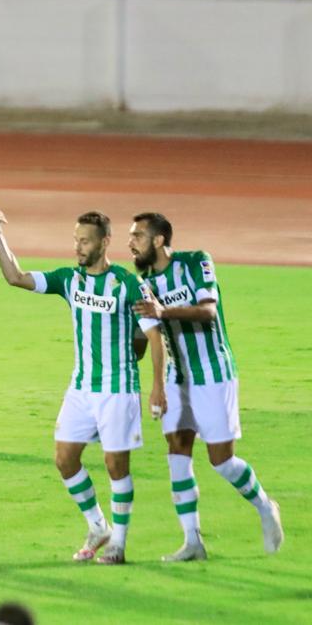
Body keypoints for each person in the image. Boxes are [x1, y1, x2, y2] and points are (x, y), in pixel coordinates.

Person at [0, 208, 165, 565]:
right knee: (65, 459)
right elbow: (16, 277)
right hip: (81, 388)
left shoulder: (128, 284)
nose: (78, 247)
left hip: (118, 389)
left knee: (116, 466)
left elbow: (153, 336)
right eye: (75, 241)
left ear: (105, 242)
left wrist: (157, 387)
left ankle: (119, 545)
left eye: (85, 241)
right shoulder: (69, 279)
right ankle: (98, 526)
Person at [128, 212, 283, 561]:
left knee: (221, 461)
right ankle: (192, 542)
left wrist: (162, 311)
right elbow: (143, 336)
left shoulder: (197, 261)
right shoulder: (143, 284)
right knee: (177, 453)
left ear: (159, 240)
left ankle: (264, 506)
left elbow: (207, 311)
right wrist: (133, 335)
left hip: (213, 374)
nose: (131, 242)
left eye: (137, 235)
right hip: (176, 378)